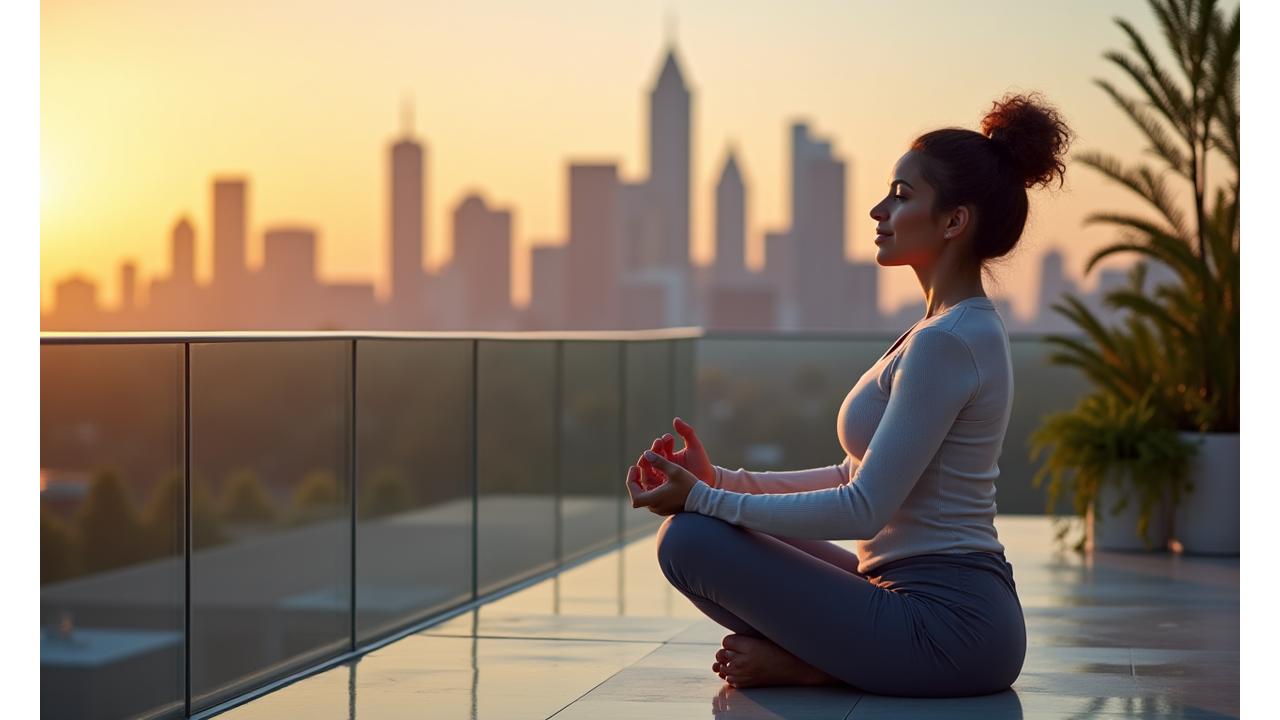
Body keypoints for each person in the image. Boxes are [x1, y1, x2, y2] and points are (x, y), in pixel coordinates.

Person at [625, 91, 1072, 697]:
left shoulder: (951, 340)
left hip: (952, 628)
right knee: (697, 526)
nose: (877, 210)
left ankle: (818, 664)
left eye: (901, 195)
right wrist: (722, 482)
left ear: (953, 221)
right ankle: (826, 660)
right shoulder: (939, 329)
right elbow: (851, 472)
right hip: (904, 593)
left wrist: (705, 501)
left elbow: (863, 508)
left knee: (690, 537)